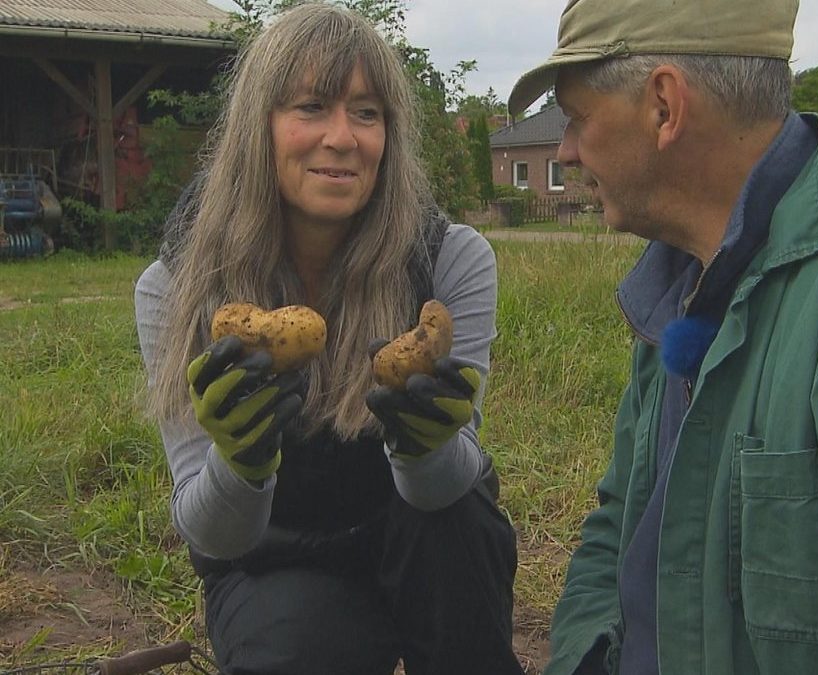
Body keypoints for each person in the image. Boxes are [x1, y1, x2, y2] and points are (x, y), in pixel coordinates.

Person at [507, 0, 818, 673]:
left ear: (664, 107)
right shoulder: (678, 287)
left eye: (577, 117)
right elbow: (614, 530)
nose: (565, 149)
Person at [134, 5, 525, 674]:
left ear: (390, 135)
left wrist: (427, 444)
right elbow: (211, 532)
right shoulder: (177, 285)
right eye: (311, 106)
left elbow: (446, 492)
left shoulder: (451, 260)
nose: (343, 137)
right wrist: (242, 457)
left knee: (457, 524)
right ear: (259, 128)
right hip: (279, 555)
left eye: (367, 112)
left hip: (423, 529)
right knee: (298, 654)